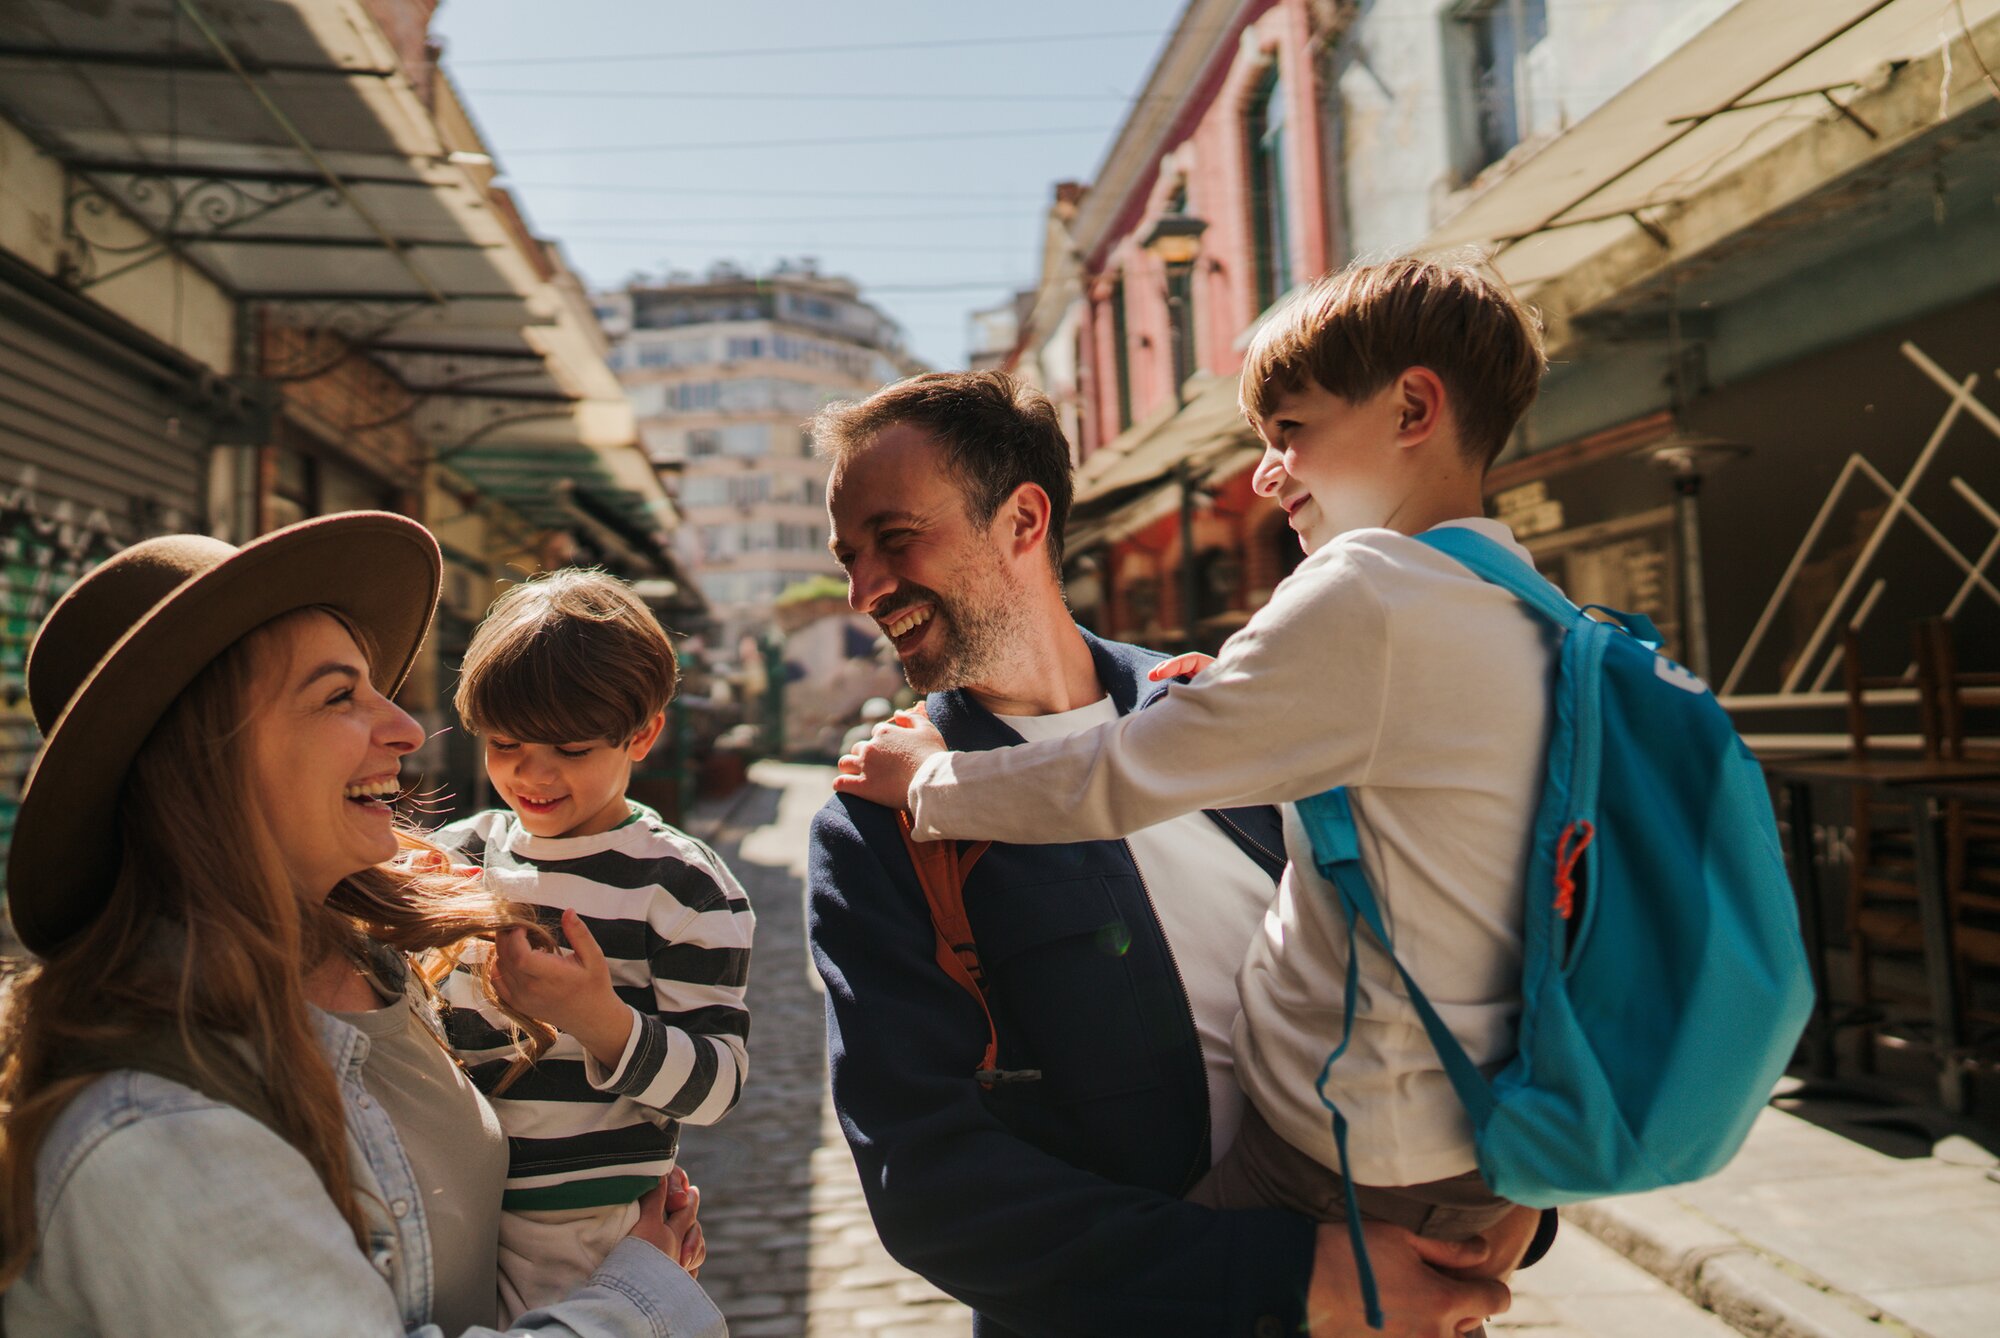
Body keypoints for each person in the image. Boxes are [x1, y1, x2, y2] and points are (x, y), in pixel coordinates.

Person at [838, 259, 1552, 1299]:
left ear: (1024, 522)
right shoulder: (870, 821)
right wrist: (1298, 1281)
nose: (860, 589)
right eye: (846, 552)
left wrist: (1521, 1188)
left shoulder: (1271, 677)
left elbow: (1465, 906)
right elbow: (933, 1186)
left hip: (1401, 1215)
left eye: (893, 539)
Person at [0, 513, 723, 1336]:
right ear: (208, 759)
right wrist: (645, 1295)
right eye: (340, 695)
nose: (410, 730)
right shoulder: (156, 1127)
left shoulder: (382, 965)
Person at [438, 569, 755, 1320]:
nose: (532, 773)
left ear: (642, 734)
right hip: (450, 1205)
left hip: (592, 1227)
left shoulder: (682, 888)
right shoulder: (454, 858)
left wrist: (597, 1018)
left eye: (571, 750)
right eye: (506, 742)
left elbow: (718, 1085)